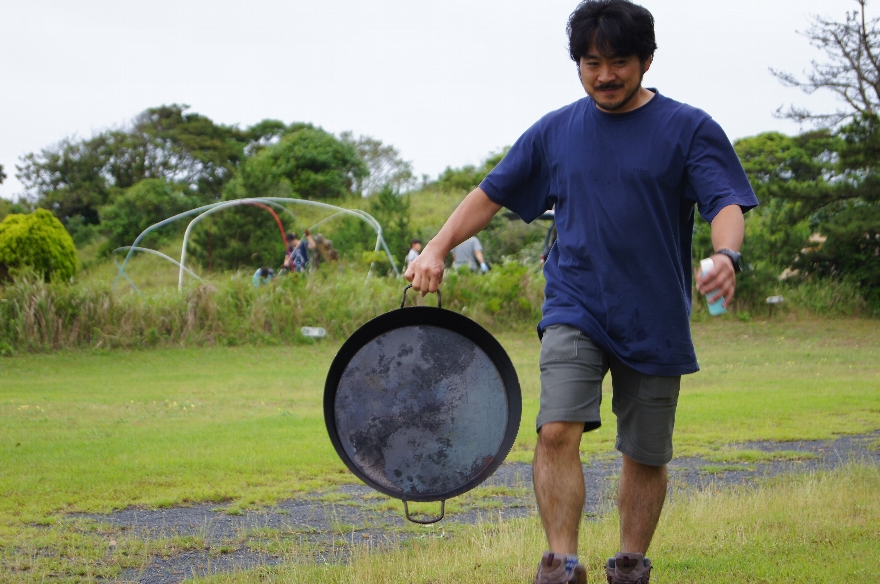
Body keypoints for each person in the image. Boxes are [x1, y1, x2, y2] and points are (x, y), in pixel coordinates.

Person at [405, 1, 758, 582]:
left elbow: (725, 202)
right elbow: (490, 193)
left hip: (655, 315)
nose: (605, 75)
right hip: (574, 305)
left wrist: (726, 256)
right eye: (591, 63)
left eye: (619, 62)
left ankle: (630, 564)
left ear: (647, 60)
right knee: (555, 429)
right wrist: (438, 247)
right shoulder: (557, 131)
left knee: (645, 452)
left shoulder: (688, 128)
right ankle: (562, 564)